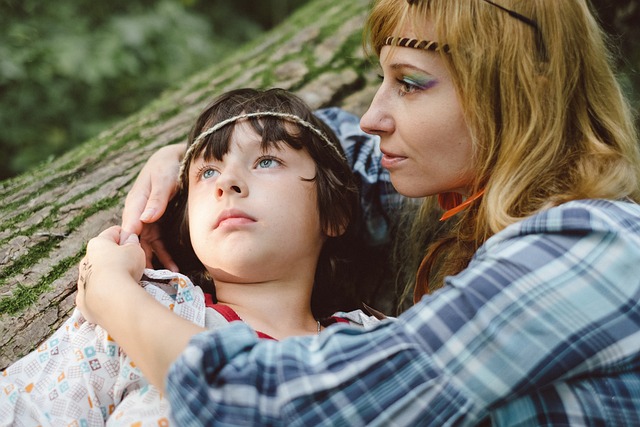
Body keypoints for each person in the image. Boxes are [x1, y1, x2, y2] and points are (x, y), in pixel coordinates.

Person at [81, 0, 640, 425]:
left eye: (410, 84)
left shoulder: (587, 252)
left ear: (521, 91)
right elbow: (330, 151)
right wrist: (197, 155)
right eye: (382, 80)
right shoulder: (455, 195)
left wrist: (112, 296)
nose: (374, 115)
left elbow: (278, 409)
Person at [0, 88, 379, 426]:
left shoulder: (378, 344)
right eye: (208, 171)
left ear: (335, 214)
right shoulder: (144, 306)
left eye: (266, 161)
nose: (227, 183)